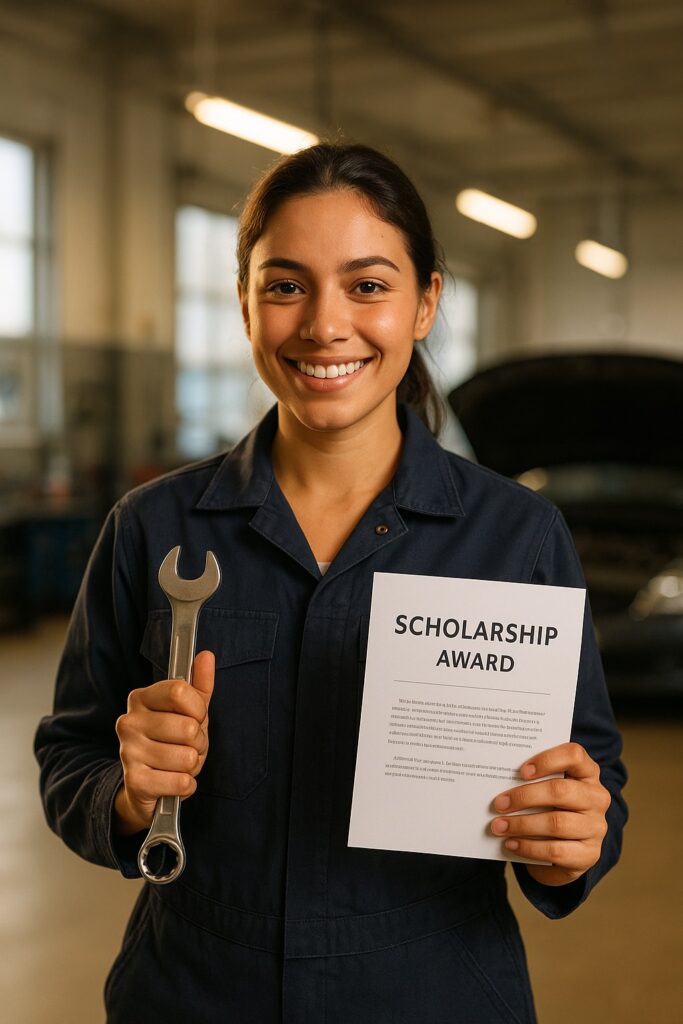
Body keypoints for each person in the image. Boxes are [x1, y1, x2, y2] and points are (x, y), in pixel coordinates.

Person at [35, 142, 627, 1024]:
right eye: (285, 285)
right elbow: (70, 755)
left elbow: (590, 773)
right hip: (195, 991)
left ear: (424, 303)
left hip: (434, 992)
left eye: (367, 285)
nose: (323, 325)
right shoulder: (153, 527)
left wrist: (570, 838)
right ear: (244, 302)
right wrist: (126, 794)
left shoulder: (518, 535)